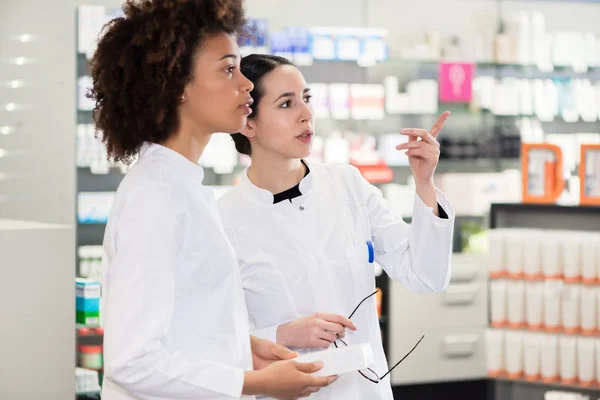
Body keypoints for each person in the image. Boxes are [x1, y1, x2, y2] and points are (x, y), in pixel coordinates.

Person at [87, 2, 336, 399]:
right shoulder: (156, 197)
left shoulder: (182, 184)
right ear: (178, 85)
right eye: (227, 69)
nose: (247, 84)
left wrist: (243, 348)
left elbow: (186, 320)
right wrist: (252, 382)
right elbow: (131, 361)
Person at [217, 54, 456, 400]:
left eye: (306, 99)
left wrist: (424, 184)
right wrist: (281, 334)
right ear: (248, 124)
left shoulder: (347, 184)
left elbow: (426, 276)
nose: (306, 114)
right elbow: (216, 338)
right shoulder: (224, 220)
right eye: (286, 103)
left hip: (364, 390)